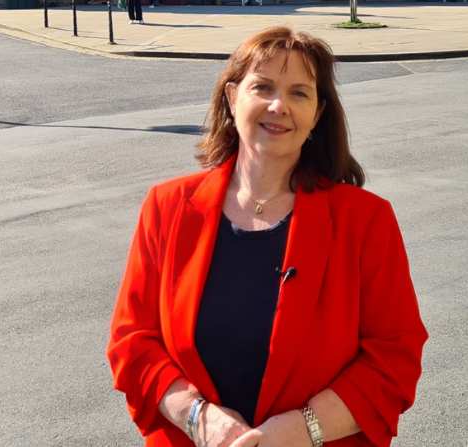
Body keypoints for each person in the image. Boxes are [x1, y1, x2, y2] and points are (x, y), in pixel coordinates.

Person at [107, 26, 428, 447]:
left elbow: (394, 357)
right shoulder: (166, 207)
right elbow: (133, 342)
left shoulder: (366, 221)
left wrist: (304, 429)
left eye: (300, 93)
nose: (279, 106)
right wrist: (198, 419)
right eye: (263, 86)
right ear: (231, 96)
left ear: (317, 114)